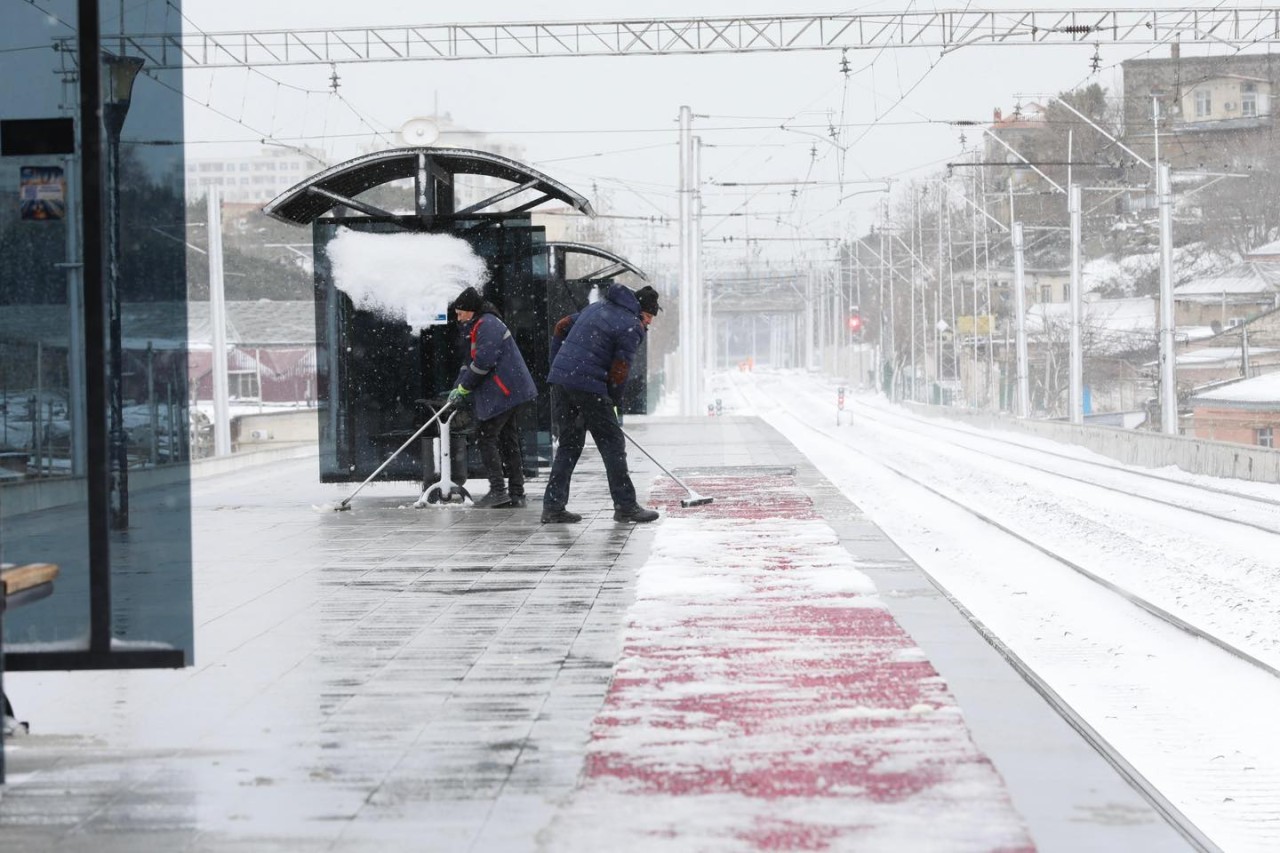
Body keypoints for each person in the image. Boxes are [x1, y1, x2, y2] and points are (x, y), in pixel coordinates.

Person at [541, 284, 662, 524]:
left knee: (569, 444)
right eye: (648, 317)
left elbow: (561, 325)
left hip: (563, 381)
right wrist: (613, 401)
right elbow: (620, 369)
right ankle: (626, 506)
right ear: (640, 311)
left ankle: (553, 507)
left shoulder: (597, 307)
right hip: (588, 385)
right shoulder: (631, 326)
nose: (648, 323)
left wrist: (558, 363)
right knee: (613, 444)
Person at [448, 286, 537, 508]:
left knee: (486, 435)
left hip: (505, 391)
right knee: (508, 439)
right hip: (510, 390)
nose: (458, 318)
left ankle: (498, 490)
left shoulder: (487, 324)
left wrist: (464, 388)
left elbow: (483, 362)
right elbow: (470, 362)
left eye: (460, 313)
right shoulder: (479, 324)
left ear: (470, 310)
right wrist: (459, 385)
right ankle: (516, 493)